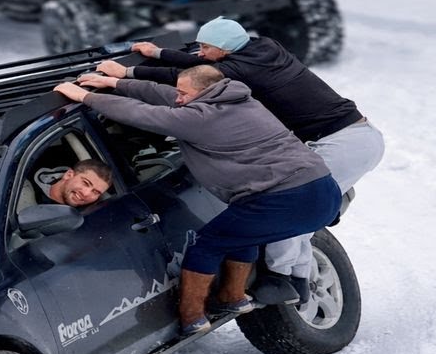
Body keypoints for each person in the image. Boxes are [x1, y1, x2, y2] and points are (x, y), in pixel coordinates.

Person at [95, 17, 384, 305]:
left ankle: (280, 279)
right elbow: (198, 66)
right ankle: (297, 281)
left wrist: (127, 72)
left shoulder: (237, 70)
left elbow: (185, 77)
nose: (200, 52)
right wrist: (157, 52)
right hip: (357, 135)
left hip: (343, 142)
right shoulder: (263, 47)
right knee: (298, 217)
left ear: (224, 49)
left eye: (206, 47)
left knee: (289, 214)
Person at [54, 65, 341, 336]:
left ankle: (192, 317)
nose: (178, 97)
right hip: (323, 188)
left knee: (207, 245)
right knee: (240, 235)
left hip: (287, 196)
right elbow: (164, 94)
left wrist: (85, 97)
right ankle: (233, 297)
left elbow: (142, 114)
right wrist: (115, 82)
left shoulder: (201, 119)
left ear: (204, 92)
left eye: (184, 93)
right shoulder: (240, 100)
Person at [16, 159, 113, 212]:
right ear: (68, 175)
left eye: (95, 192)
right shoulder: (22, 183)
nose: (86, 193)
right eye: (86, 183)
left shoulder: (87, 215)